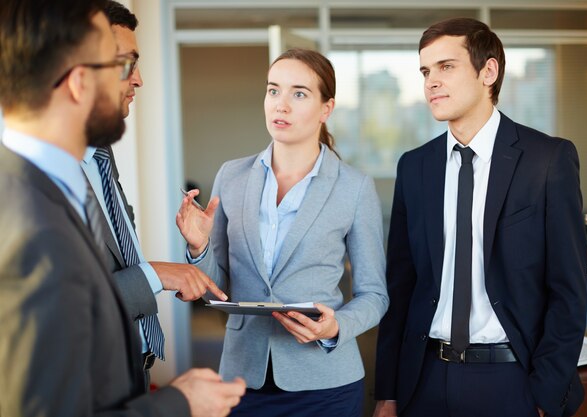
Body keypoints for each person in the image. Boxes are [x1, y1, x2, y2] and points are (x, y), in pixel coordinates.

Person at [0, 1, 245, 416]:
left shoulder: (49, 188)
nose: (138, 80)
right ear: (79, 81)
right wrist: (180, 404)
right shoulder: (32, 228)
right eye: (122, 64)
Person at [374, 18, 587, 417]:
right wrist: (387, 392)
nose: (431, 82)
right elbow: (400, 288)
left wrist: (546, 394)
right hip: (424, 380)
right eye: (425, 71)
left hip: (512, 381)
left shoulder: (548, 160)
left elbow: (569, 292)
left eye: (446, 67)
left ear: (488, 71)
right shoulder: (414, 167)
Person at [176, 48, 389, 416]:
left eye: (299, 94)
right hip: (243, 379)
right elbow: (219, 284)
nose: (281, 105)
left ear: (326, 109)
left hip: (326, 385)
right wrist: (199, 248)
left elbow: (375, 295)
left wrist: (336, 327)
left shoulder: (354, 188)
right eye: (273, 91)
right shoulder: (232, 176)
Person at [81, 0, 227, 381]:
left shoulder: (101, 154)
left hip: (133, 370)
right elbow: (68, 307)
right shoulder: (37, 179)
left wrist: (196, 249)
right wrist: (157, 274)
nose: (139, 79)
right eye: (127, 64)